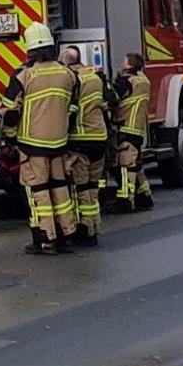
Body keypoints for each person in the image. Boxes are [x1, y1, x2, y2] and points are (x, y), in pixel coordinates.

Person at [2, 22, 79, 254]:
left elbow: (11, 113)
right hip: (59, 142)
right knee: (60, 188)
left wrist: (10, 139)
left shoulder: (23, 76)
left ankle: (45, 238)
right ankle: (66, 234)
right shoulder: (68, 74)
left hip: (32, 144)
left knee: (38, 192)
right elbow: (73, 108)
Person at [60, 45, 116, 246]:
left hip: (79, 140)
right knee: (93, 186)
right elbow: (113, 98)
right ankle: (94, 227)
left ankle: (83, 229)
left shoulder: (71, 79)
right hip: (99, 138)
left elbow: (72, 109)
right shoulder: (96, 76)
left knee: (80, 187)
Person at [108, 52, 154, 213]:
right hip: (138, 127)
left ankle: (125, 200)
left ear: (128, 64)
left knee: (125, 165)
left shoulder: (126, 81)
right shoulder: (143, 80)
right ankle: (144, 195)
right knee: (135, 164)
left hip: (124, 126)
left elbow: (112, 97)